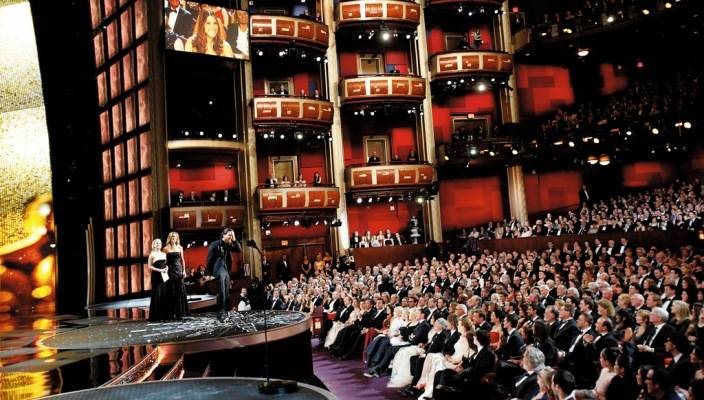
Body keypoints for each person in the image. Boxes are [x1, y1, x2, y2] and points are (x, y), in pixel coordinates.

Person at [206, 228, 242, 322]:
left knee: (226, 292)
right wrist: (208, 273)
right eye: (229, 235)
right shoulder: (214, 244)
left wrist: (234, 238)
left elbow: (239, 250)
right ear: (223, 235)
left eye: (231, 235)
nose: (231, 237)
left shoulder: (229, 244)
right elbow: (209, 259)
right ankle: (221, 312)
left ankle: (224, 311)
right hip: (218, 269)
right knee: (222, 291)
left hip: (226, 270)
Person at [163, 232, 190, 320]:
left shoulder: (180, 247)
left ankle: (180, 313)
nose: (174, 238)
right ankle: (171, 313)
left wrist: (184, 271)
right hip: (170, 271)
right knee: (171, 291)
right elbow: (165, 261)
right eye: (172, 237)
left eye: (175, 237)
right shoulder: (166, 248)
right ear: (170, 238)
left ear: (177, 238)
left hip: (178, 270)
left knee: (179, 291)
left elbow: (182, 260)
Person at [148, 239, 168, 321]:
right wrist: (159, 270)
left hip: (164, 275)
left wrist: (167, 268)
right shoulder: (152, 254)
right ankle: (156, 315)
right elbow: (149, 266)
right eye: (156, 243)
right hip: (156, 275)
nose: (158, 244)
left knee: (164, 293)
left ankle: (164, 314)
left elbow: (166, 264)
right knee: (157, 293)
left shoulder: (164, 254)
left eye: (159, 243)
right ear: (153, 244)